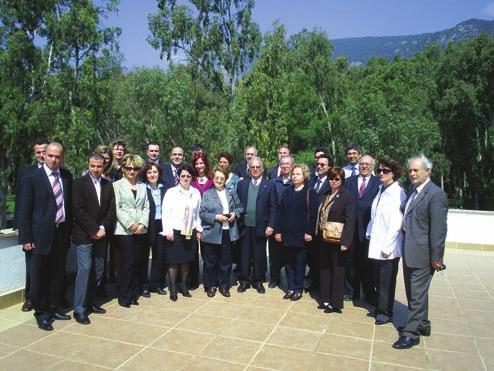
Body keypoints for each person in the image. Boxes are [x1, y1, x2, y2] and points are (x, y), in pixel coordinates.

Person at [393, 155, 448, 350]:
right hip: (410, 251)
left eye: (416, 170)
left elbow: (439, 230)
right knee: (414, 292)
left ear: (428, 171)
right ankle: (422, 324)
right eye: (410, 170)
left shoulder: (435, 194)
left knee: (416, 294)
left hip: (424, 255)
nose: (412, 173)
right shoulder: (413, 191)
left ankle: (410, 333)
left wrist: (436, 258)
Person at [18, 142, 73, 331]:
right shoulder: (32, 177)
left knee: (57, 275)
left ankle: (53, 307)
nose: (54, 159)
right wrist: (26, 238)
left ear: (62, 157)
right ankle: (41, 314)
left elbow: (69, 205)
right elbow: (24, 210)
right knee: (39, 277)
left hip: (61, 234)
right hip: (39, 236)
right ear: (44, 156)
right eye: (50, 155)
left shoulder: (66, 176)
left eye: (58, 156)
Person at [72, 153, 116, 325]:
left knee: (98, 270)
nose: (96, 169)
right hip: (84, 235)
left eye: (99, 166)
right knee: (85, 270)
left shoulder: (107, 185)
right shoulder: (79, 184)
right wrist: (93, 229)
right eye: (93, 166)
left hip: (101, 235)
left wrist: (103, 228)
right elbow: (78, 210)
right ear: (88, 165)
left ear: (103, 166)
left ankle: (90, 302)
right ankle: (79, 309)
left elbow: (111, 209)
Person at [366, 157, 406, 326]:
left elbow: (396, 223)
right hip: (376, 242)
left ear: (394, 174)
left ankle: (385, 312)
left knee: (386, 282)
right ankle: (380, 308)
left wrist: (388, 246)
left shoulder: (398, 193)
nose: (381, 173)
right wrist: (368, 232)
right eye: (380, 170)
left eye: (386, 171)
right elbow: (374, 215)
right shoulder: (381, 189)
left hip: (387, 246)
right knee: (378, 279)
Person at [14, 138, 48, 312]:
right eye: (38, 152)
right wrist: (23, 231)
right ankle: (30, 298)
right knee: (32, 267)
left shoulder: (59, 172)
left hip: (50, 231)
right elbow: (21, 203)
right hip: (33, 230)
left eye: (44, 151)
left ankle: (49, 297)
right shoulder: (26, 173)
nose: (42, 155)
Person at [275, 164, 318, 300]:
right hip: (287, 234)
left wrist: (309, 232)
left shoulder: (310, 193)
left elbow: (313, 215)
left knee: (300, 263)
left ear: (304, 176)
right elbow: (280, 212)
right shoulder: (286, 191)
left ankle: (298, 288)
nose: (294, 176)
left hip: (302, 235)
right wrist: (278, 231)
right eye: (293, 174)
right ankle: (291, 287)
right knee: (288, 263)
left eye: (298, 174)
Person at [200, 167, 244, 297]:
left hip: (228, 232)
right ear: (213, 179)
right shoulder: (207, 194)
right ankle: (211, 285)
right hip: (212, 232)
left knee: (226, 261)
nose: (219, 180)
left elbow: (240, 207)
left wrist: (234, 214)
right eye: (217, 178)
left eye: (222, 178)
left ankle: (224, 286)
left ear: (225, 179)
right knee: (211, 262)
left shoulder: (231, 192)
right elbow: (202, 213)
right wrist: (215, 217)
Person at [316, 166, 355, 313]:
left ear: (342, 180)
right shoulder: (325, 195)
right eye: (330, 178)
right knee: (324, 269)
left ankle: (335, 302)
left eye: (336, 179)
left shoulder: (347, 196)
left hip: (338, 240)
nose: (333, 181)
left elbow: (350, 221)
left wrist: (346, 241)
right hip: (324, 238)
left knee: (338, 271)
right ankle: (325, 299)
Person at [236, 156, 277, 294]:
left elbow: (274, 208)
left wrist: (271, 225)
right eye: (252, 167)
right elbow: (237, 204)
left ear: (262, 169)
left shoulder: (269, 184)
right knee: (245, 255)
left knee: (259, 255)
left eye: (257, 167)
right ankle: (244, 280)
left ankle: (258, 280)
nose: (255, 169)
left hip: (262, 226)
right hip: (245, 226)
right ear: (248, 170)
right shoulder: (242, 185)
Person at [113, 154, 149, 308]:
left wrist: (142, 223)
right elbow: (117, 207)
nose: (132, 171)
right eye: (129, 168)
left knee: (138, 262)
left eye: (135, 169)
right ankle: (124, 296)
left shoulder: (142, 186)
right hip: (124, 230)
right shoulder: (117, 185)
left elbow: (146, 206)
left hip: (140, 229)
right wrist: (130, 224)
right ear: (123, 169)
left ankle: (134, 294)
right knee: (127, 263)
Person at [162, 164, 203, 301]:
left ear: (192, 178)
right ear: (178, 177)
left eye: (188, 176)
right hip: (175, 231)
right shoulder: (171, 192)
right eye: (183, 176)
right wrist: (168, 230)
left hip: (189, 231)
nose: (185, 178)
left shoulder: (196, 192)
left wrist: (198, 229)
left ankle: (184, 286)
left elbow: (197, 213)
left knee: (186, 260)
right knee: (173, 261)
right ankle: (173, 288)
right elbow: (166, 213)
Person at [344, 154, 381, 305]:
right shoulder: (349, 182)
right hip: (351, 230)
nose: (364, 166)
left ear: (372, 166)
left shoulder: (378, 183)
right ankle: (351, 291)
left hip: (368, 232)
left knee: (368, 265)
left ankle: (369, 293)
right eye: (362, 164)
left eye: (367, 164)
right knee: (350, 263)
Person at [305, 153, 333, 292]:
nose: (319, 166)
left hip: (324, 226)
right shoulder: (311, 180)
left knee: (324, 259)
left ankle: (325, 287)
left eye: (323, 164)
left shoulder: (332, 182)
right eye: (318, 164)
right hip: (310, 225)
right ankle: (314, 283)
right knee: (312, 257)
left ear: (330, 167)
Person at [141, 162, 168, 297]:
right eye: (149, 172)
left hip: (162, 225)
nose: (152, 175)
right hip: (147, 225)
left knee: (159, 256)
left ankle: (155, 284)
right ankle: (144, 285)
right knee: (144, 256)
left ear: (159, 173)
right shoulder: (142, 188)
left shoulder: (165, 188)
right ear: (145, 175)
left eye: (155, 172)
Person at [268, 155, 294, 288]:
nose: (284, 166)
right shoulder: (273, 182)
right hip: (276, 223)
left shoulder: (297, 182)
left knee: (290, 254)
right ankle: (274, 278)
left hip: (291, 224)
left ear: (292, 165)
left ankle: (291, 280)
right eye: (282, 164)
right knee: (274, 254)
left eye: (287, 164)